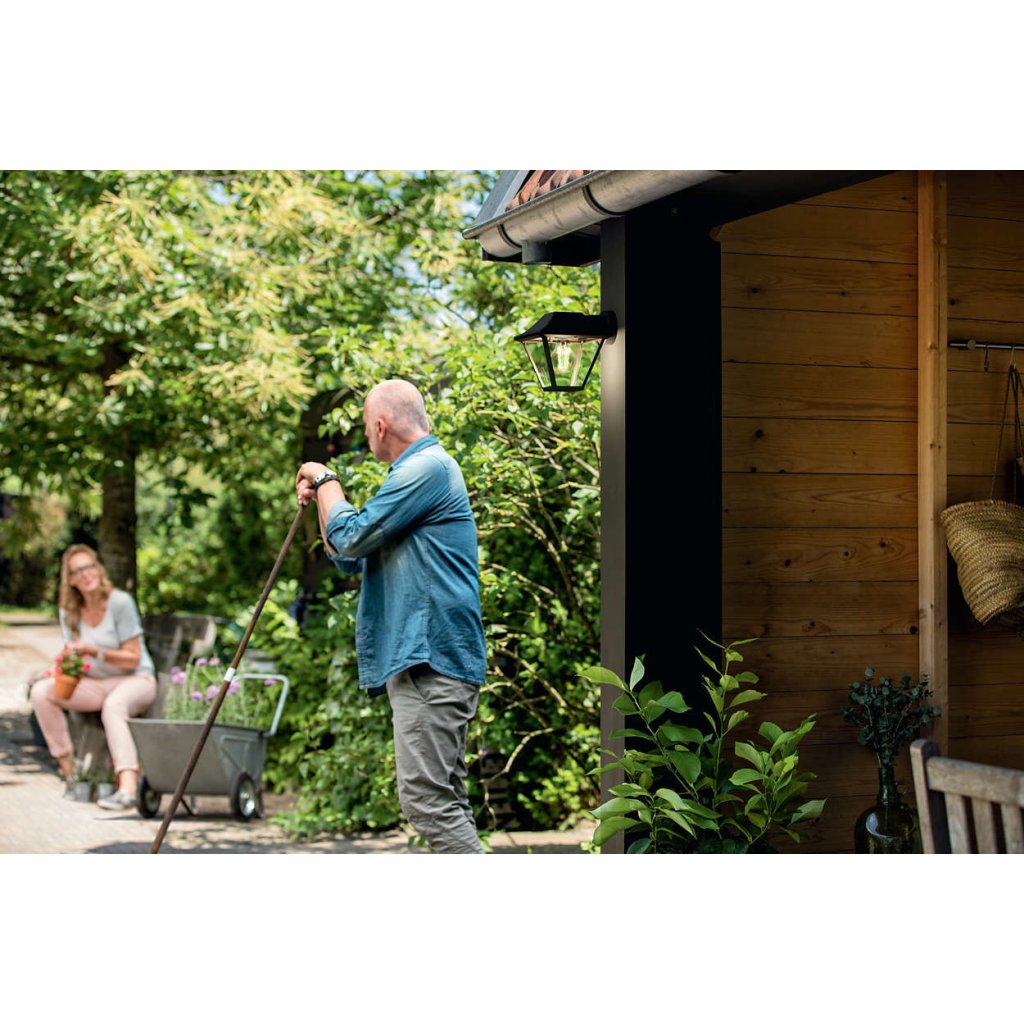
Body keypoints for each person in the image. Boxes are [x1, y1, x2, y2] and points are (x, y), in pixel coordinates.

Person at [296, 379, 487, 854]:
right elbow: (346, 553)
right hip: (426, 660)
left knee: (427, 802)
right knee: (443, 800)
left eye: (366, 426)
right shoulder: (417, 473)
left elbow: (351, 537)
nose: (366, 435)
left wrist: (326, 479)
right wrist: (322, 496)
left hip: (431, 659)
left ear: (380, 426)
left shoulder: (425, 469)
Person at [30, 544, 157, 810]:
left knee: (114, 705)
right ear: (70, 580)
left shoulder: (120, 602)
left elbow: (133, 657)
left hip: (136, 680)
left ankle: (127, 788)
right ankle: (72, 775)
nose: (86, 574)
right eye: (78, 571)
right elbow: (74, 657)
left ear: (98, 569)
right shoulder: (69, 612)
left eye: (89, 567)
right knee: (41, 691)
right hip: (96, 684)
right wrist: (60, 669)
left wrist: (95, 651)